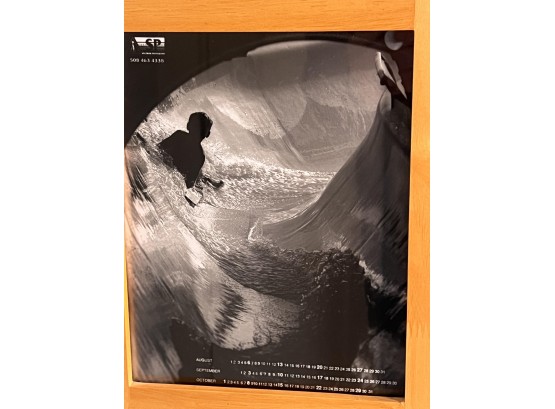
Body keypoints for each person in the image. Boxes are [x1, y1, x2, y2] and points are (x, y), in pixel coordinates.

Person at [158, 112, 223, 190]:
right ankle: (212, 183)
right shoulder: (200, 156)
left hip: (178, 167)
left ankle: (211, 182)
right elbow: (190, 183)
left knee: (199, 177)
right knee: (199, 176)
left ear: (188, 125)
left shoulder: (179, 135)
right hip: (184, 171)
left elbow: (159, 147)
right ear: (207, 134)